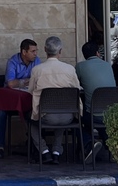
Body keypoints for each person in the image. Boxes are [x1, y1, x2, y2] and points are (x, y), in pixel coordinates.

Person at [28, 36, 100, 165]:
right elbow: (77, 88)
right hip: (68, 117)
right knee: (62, 110)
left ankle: (44, 151)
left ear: (45, 50)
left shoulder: (37, 70)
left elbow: (31, 91)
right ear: (60, 51)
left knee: (32, 122)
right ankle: (56, 152)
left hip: (46, 116)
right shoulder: (70, 69)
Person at [0, 38, 40, 157]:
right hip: (10, 99)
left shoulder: (37, 61)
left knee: (35, 110)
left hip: (28, 96)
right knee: (1, 112)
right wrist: (27, 81)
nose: (35, 54)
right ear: (24, 52)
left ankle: (35, 144)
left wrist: (21, 82)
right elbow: (10, 83)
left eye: (36, 51)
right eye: (33, 51)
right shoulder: (13, 62)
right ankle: (0, 146)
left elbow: (39, 79)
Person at [76, 40, 117, 154]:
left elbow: (75, 85)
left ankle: (89, 143)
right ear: (97, 53)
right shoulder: (108, 65)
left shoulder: (80, 66)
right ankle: (108, 143)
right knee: (97, 114)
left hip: (94, 114)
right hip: (112, 114)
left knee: (76, 117)